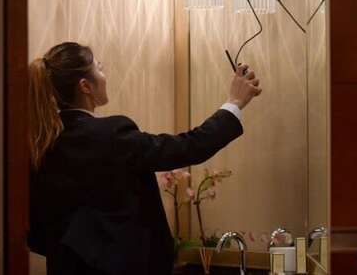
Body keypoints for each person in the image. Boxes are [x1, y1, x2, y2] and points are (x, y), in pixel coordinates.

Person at [27, 41, 262, 275]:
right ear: (85, 86)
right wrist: (234, 103)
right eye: (99, 68)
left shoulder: (41, 144)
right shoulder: (110, 135)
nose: (105, 76)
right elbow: (189, 147)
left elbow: (35, 233)